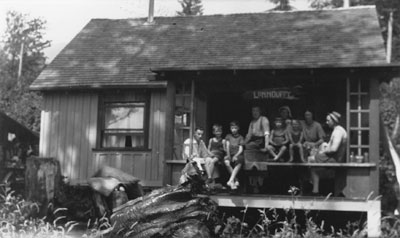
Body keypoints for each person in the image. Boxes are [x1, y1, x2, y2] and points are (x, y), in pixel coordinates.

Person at [310, 111, 348, 195]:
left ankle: (314, 190)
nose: (327, 123)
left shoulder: (338, 132)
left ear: (333, 121)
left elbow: (334, 149)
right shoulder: (337, 130)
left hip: (334, 159)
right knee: (313, 167)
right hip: (332, 157)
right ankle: (315, 190)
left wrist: (324, 150)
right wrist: (326, 145)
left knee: (311, 159)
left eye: (328, 120)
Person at [224, 121, 245, 190]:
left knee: (239, 160)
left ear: (238, 128)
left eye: (235, 128)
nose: (234, 130)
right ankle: (235, 180)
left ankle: (231, 180)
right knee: (226, 162)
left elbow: (241, 149)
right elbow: (227, 146)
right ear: (230, 129)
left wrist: (236, 155)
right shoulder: (228, 136)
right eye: (232, 128)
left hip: (237, 154)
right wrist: (229, 155)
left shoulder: (240, 137)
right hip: (229, 153)